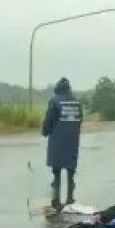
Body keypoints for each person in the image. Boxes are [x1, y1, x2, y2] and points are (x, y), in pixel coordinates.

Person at [41, 77, 83, 210]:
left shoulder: (54, 101)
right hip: (72, 140)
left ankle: (56, 199)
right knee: (71, 170)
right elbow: (80, 119)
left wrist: (45, 131)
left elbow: (49, 119)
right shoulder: (77, 102)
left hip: (57, 140)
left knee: (57, 171)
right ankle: (70, 198)